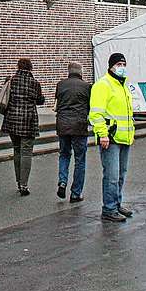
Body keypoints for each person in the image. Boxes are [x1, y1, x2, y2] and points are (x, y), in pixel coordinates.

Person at [89, 52, 136, 223]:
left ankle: (116, 204)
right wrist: (103, 134)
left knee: (121, 174)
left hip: (125, 137)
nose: (122, 67)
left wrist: (132, 132)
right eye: (119, 64)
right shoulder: (103, 85)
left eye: (124, 64)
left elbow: (128, 113)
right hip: (110, 137)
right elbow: (95, 114)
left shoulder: (123, 85)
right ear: (111, 66)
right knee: (112, 175)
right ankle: (108, 208)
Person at [1, 58, 45, 196]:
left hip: (12, 120)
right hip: (28, 120)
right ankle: (24, 185)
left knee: (17, 150)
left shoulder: (11, 80)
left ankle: (18, 181)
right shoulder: (34, 83)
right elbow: (40, 100)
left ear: (18, 67)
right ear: (31, 68)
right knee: (26, 152)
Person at [54, 62, 91, 203]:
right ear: (81, 72)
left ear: (69, 72)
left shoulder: (60, 84)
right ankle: (76, 193)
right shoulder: (87, 87)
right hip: (79, 126)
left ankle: (62, 182)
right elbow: (89, 106)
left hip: (62, 125)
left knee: (64, 154)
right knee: (80, 159)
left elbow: (57, 104)